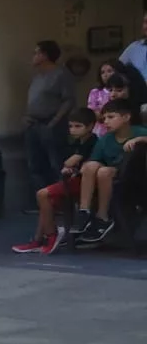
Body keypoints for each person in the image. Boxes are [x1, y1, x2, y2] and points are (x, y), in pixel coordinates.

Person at [14, 107, 99, 254]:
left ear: (91, 126)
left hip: (83, 184)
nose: (73, 130)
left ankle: (52, 235)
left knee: (42, 194)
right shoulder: (76, 143)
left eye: (78, 126)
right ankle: (39, 239)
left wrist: (70, 165)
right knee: (46, 203)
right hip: (72, 180)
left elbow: (71, 161)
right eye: (71, 126)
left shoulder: (92, 142)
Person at [71, 97, 147, 248]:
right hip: (105, 179)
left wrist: (140, 139)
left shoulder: (138, 131)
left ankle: (102, 217)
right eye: (104, 118)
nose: (106, 121)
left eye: (111, 117)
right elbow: (93, 161)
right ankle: (84, 211)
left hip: (132, 181)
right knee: (90, 166)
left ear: (126, 117)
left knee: (104, 172)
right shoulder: (105, 139)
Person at [25, 39, 78, 188]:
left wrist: (54, 121)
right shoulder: (37, 76)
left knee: (56, 163)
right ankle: (42, 200)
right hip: (33, 125)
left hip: (51, 124)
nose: (33, 56)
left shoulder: (61, 74)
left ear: (45, 55)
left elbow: (68, 100)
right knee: (35, 165)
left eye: (36, 53)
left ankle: (61, 200)